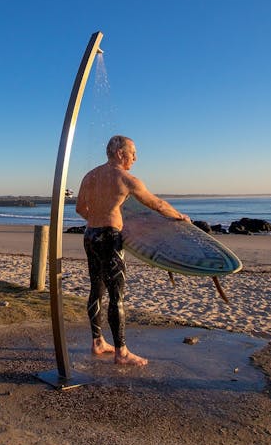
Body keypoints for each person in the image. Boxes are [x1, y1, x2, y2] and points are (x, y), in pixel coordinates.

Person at [76, 135, 189, 366]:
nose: (135, 158)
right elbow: (157, 204)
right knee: (117, 295)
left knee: (96, 290)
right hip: (110, 239)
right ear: (119, 153)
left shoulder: (90, 176)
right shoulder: (127, 179)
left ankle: (97, 342)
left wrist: (99, 220)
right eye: (133, 152)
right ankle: (122, 352)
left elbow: (80, 208)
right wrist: (180, 216)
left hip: (90, 236)